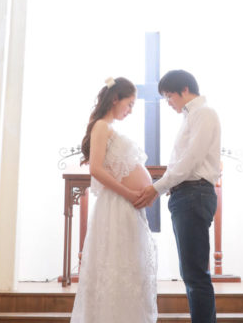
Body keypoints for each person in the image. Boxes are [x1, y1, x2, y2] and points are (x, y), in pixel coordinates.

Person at [134, 69, 221, 323]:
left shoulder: (204, 113)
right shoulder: (192, 116)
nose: (168, 102)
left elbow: (190, 161)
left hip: (194, 193)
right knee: (192, 273)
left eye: (169, 95)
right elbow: (182, 163)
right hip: (186, 195)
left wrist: (156, 188)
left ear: (184, 89)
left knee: (195, 275)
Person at [70, 76, 157, 323]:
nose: (130, 111)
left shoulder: (109, 128)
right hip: (118, 204)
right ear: (115, 99)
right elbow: (96, 169)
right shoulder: (101, 127)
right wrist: (130, 193)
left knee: (130, 271)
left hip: (126, 207)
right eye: (129, 104)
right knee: (117, 269)